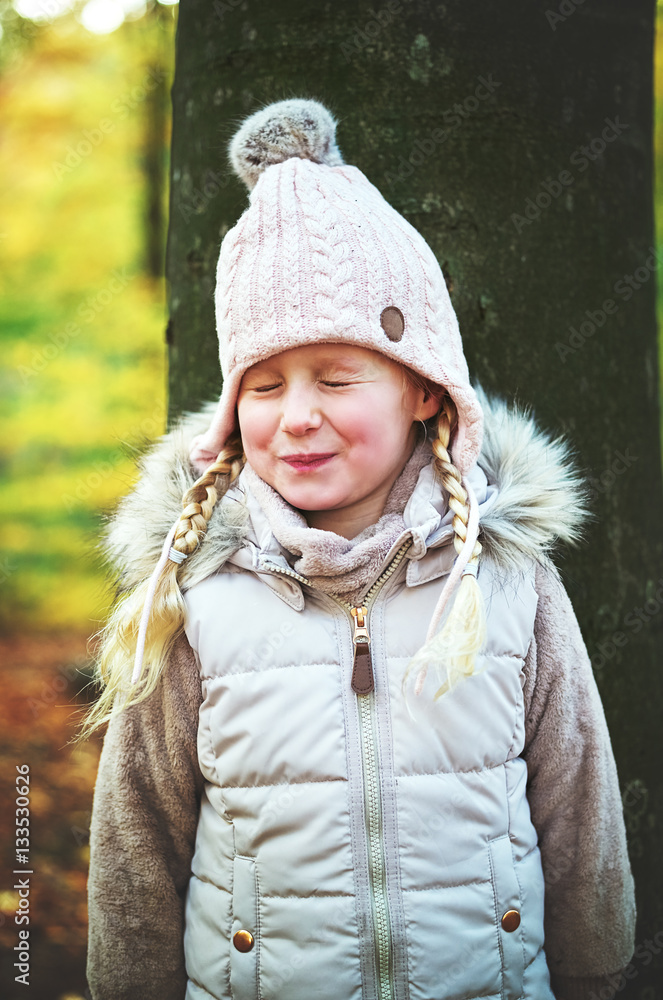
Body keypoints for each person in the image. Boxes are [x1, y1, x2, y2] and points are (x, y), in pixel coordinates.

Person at [82, 99, 635, 1000]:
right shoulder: (197, 593)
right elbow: (135, 828)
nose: (296, 415)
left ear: (423, 392)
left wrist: (600, 973)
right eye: (262, 385)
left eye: (337, 378)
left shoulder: (502, 575)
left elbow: (580, 802)